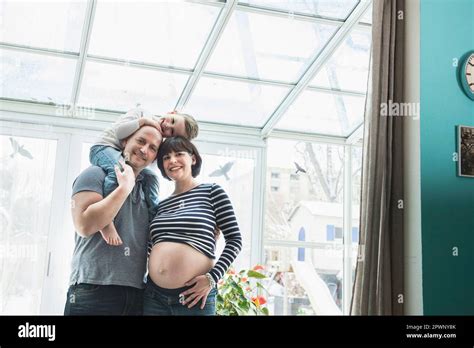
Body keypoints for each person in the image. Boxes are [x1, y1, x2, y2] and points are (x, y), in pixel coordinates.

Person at [64, 125, 162, 315]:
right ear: (125, 141)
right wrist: (124, 188)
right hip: (93, 289)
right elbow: (84, 226)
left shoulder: (147, 189)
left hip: (136, 292)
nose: (144, 150)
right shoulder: (94, 174)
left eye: (153, 148)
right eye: (141, 141)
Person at [143, 136, 242, 316]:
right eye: (166, 157)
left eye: (179, 154)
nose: (172, 160)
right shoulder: (161, 206)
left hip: (194, 299)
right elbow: (152, 246)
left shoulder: (212, 192)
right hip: (154, 297)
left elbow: (235, 240)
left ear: (193, 159)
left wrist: (212, 278)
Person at [89, 107, 199, 246]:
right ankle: (106, 222)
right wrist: (143, 121)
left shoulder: (157, 138)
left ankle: (155, 220)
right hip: (103, 148)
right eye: (172, 120)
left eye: (171, 131)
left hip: (122, 156)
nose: (167, 125)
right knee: (118, 171)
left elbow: (148, 162)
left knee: (151, 178)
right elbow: (119, 132)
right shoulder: (141, 113)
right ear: (172, 112)